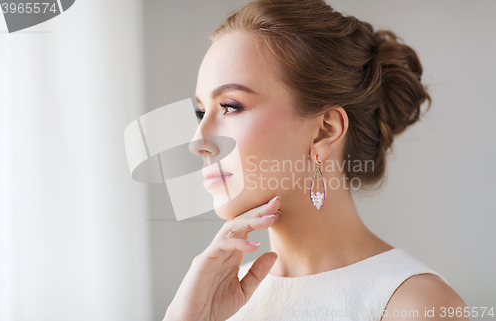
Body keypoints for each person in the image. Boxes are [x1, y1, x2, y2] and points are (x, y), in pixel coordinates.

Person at [164, 0, 468, 320]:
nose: (199, 142)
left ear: (324, 131)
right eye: (201, 112)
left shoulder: (414, 306)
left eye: (230, 106)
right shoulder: (214, 301)